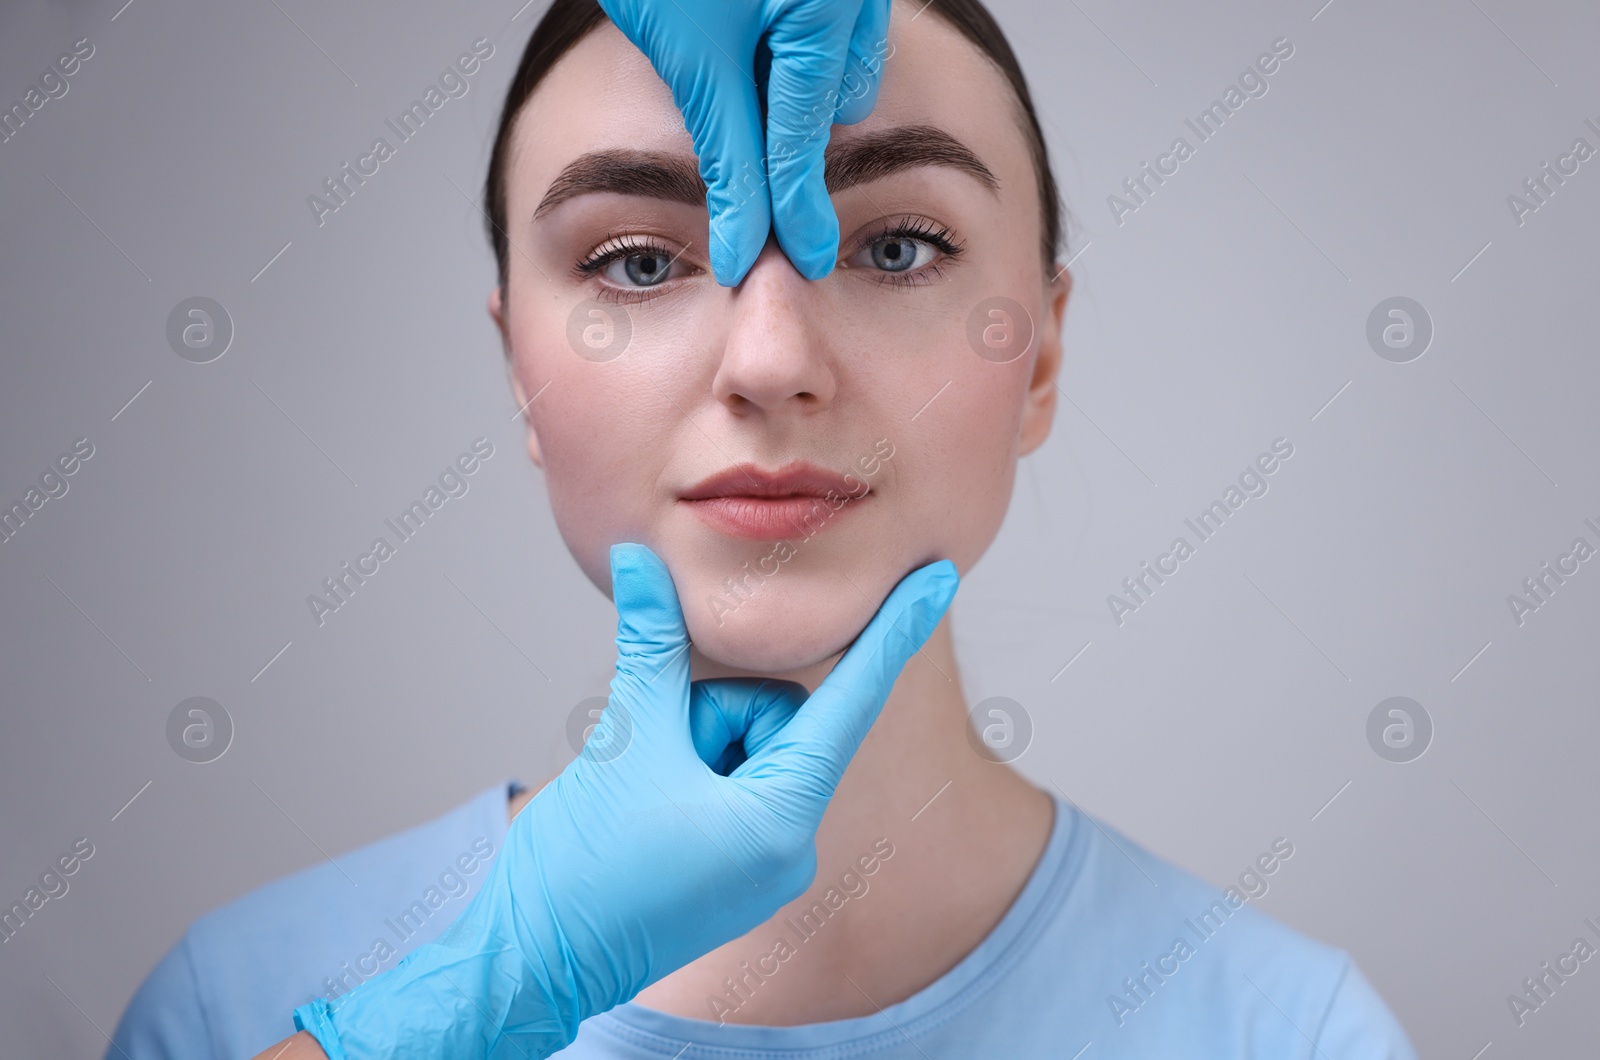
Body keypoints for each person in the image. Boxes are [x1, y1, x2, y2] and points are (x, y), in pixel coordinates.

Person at [111, 0, 1420, 1056]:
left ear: (1041, 356)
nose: (772, 356)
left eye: (898, 248)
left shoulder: (1283, 1034)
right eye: (637, 261)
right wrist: (451, 1015)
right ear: (520, 369)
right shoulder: (235, 1007)